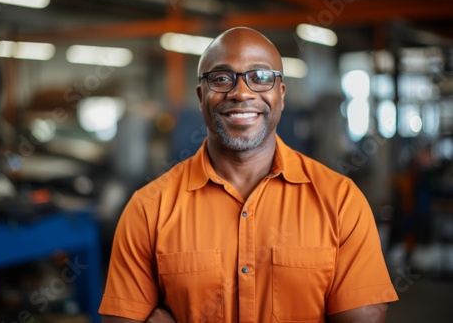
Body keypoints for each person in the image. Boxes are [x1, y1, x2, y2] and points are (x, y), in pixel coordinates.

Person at [99, 27, 398, 323]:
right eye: (221, 78)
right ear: (201, 95)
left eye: (261, 77)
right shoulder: (149, 208)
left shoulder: (341, 201)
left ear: (280, 94)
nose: (241, 93)